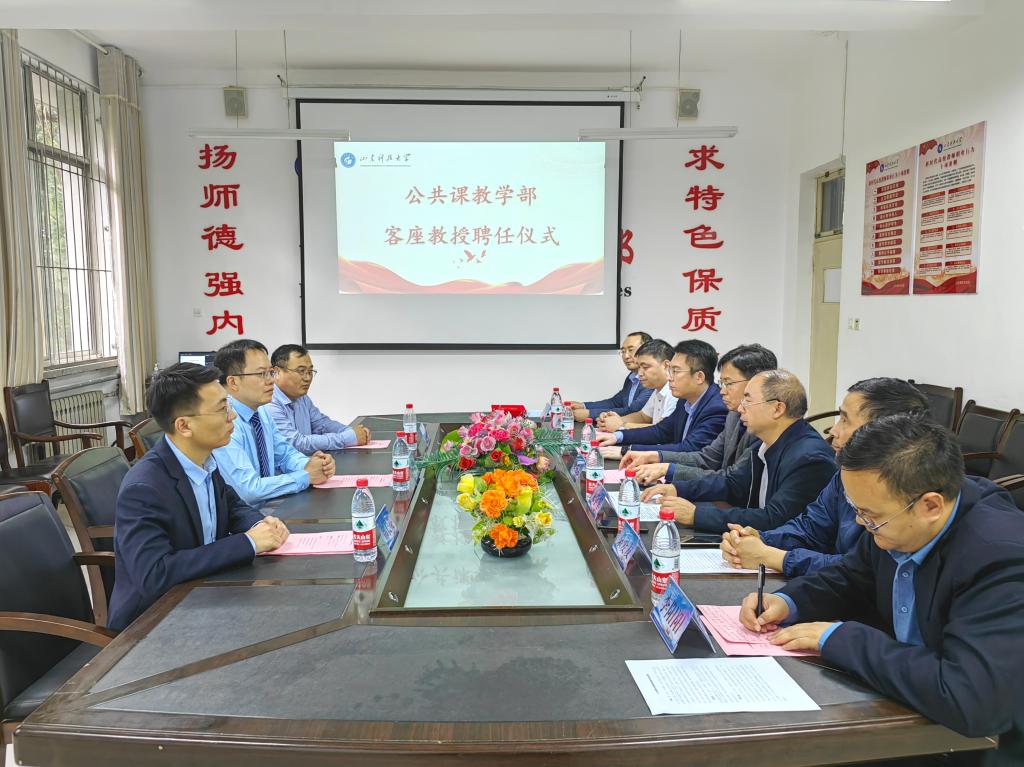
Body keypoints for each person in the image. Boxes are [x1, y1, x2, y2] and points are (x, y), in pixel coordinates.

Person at [741, 415, 1024, 767]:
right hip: (909, 703)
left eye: (870, 515)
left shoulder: (1001, 558)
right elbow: (852, 575)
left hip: (975, 746)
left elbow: (972, 700)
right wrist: (789, 601)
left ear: (931, 506)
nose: (862, 523)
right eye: (857, 510)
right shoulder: (897, 520)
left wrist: (840, 638)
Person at [109, 364, 290, 630]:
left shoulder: (203, 459)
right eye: (222, 409)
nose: (232, 416)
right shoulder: (144, 488)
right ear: (184, 426)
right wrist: (248, 543)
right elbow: (155, 575)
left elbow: (231, 505)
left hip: (204, 594)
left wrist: (260, 524)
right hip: (154, 621)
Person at [721, 378, 929, 575]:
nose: (834, 431)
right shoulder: (844, 475)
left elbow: (862, 570)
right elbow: (810, 527)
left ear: (882, 432)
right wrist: (759, 538)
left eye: (845, 420)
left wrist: (775, 557)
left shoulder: (906, 493)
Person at [642, 369, 834, 533]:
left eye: (748, 401)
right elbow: (732, 483)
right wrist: (678, 488)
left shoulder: (808, 458)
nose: (740, 408)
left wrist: (696, 515)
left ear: (777, 409)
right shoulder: (765, 443)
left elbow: (775, 519)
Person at [622, 343, 777, 485]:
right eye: (722, 383)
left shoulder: (759, 425)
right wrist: (656, 458)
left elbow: (733, 480)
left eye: (728, 383)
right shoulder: (733, 415)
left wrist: (669, 472)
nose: (722, 391)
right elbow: (707, 457)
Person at [212, 339, 334, 506]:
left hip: (269, 508)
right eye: (262, 374)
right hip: (244, 517)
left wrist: (314, 465)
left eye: (271, 372)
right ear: (233, 382)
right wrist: (306, 475)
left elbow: (285, 455)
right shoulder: (223, 421)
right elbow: (248, 490)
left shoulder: (261, 411)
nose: (271, 380)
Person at [594, 339, 727, 457]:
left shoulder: (716, 408)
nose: (669, 377)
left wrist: (627, 450)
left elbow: (688, 449)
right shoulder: (685, 399)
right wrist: (618, 436)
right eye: (670, 371)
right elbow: (661, 431)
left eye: (676, 371)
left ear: (699, 377)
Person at [265, 344, 372, 454]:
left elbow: (321, 424)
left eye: (310, 372)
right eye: (301, 371)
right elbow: (296, 443)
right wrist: (348, 438)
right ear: (277, 372)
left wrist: (351, 431)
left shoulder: (302, 398)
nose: (307, 378)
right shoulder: (269, 403)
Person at [595, 339, 677, 460]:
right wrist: (614, 420)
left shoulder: (674, 393)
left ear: (666, 365)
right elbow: (643, 416)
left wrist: (621, 425)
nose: (640, 373)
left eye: (645, 367)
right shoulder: (658, 389)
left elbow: (660, 432)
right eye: (639, 367)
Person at [568, 331, 653, 421]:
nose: (626, 356)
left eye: (631, 350)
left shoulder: (650, 379)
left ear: (647, 351)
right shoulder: (632, 377)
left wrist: (589, 414)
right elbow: (615, 402)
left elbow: (633, 411)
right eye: (623, 351)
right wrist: (583, 405)